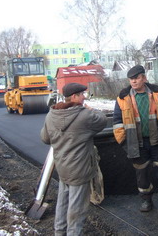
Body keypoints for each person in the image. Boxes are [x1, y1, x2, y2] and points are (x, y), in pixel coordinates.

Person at [113, 65, 158, 213]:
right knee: (142, 174)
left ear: (144, 78)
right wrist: (123, 142)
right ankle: (146, 200)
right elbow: (117, 121)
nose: (133, 81)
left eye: (136, 78)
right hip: (137, 144)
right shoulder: (122, 98)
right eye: (131, 79)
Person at [40, 82, 107, 236]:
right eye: (82, 94)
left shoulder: (51, 115)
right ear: (74, 97)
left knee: (62, 202)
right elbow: (102, 121)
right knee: (77, 207)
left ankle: (59, 232)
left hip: (62, 167)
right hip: (80, 169)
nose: (84, 97)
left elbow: (45, 138)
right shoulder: (84, 115)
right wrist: (93, 110)